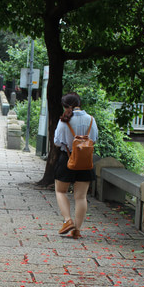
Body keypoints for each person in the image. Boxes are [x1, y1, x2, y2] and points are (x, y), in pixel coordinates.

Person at [53, 92, 98, 239]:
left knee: (61, 191)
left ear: (65, 105)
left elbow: (57, 142)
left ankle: (68, 221)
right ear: (80, 103)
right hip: (85, 161)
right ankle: (77, 230)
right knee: (81, 197)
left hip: (67, 159)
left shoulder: (64, 120)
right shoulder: (91, 119)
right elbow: (94, 139)